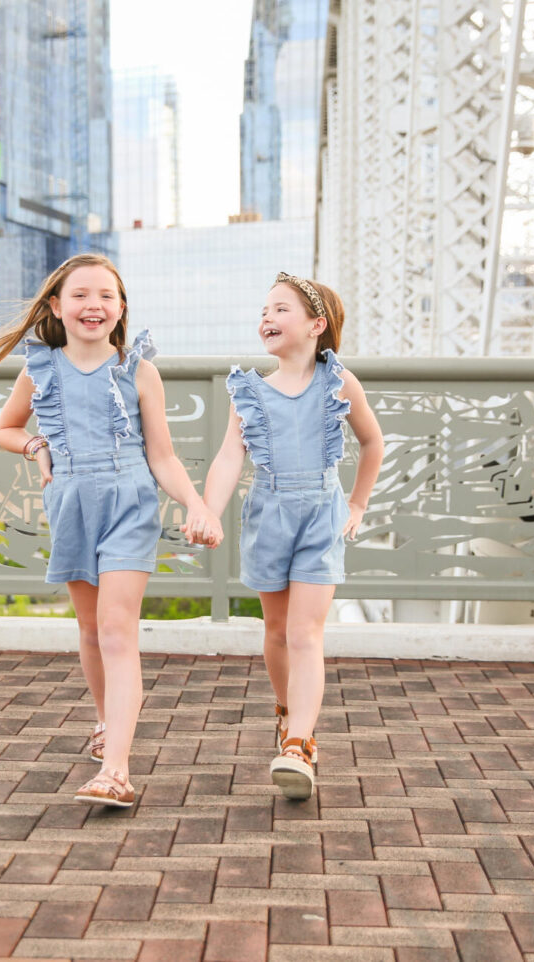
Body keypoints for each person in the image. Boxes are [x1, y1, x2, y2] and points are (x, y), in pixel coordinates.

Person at [0, 253, 219, 809]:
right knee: (90, 630)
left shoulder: (139, 371)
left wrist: (197, 505)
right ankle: (108, 722)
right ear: (56, 306)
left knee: (115, 630)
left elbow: (162, 456)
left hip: (129, 501)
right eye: (81, 295)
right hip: (71, 503)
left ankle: (116, 771)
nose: (94, 305)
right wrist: (36, 445)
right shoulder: (39, 369)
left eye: (107, 295)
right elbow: (5, 429)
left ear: (121, 307)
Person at [199, 272, 382, 800]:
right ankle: (286, 711)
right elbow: (229, 457)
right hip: (269, 513)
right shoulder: (249, 391)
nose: (267, 318)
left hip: (321, 514)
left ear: (315, 325)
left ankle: (299, 743)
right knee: (277, 631)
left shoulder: (339, 382)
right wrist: (209, 511)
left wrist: (357, 504)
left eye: (281, 309)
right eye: (264, 311)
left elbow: (372, 442)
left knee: (305, 633)